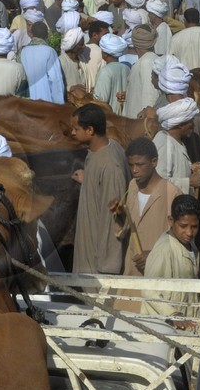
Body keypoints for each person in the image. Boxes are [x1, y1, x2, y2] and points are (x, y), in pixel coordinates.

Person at [70, 103, 128, 274]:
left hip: (98, 265)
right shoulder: (101, 151)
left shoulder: (110, 166)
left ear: (90, 130)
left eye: (76, 128)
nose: (72, 132)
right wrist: (88, 180)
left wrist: (106, 269)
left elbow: (113, 221)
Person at [112, 138, 183, 277]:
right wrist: (120, 214)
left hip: (160, 273)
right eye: (131, 165)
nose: (134, 170)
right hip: (132, 272)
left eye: (139, 165)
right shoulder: (132, 186)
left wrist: (153, 254)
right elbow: (124, 230)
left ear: (154, 162)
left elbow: (182, 239)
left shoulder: (172, 193)